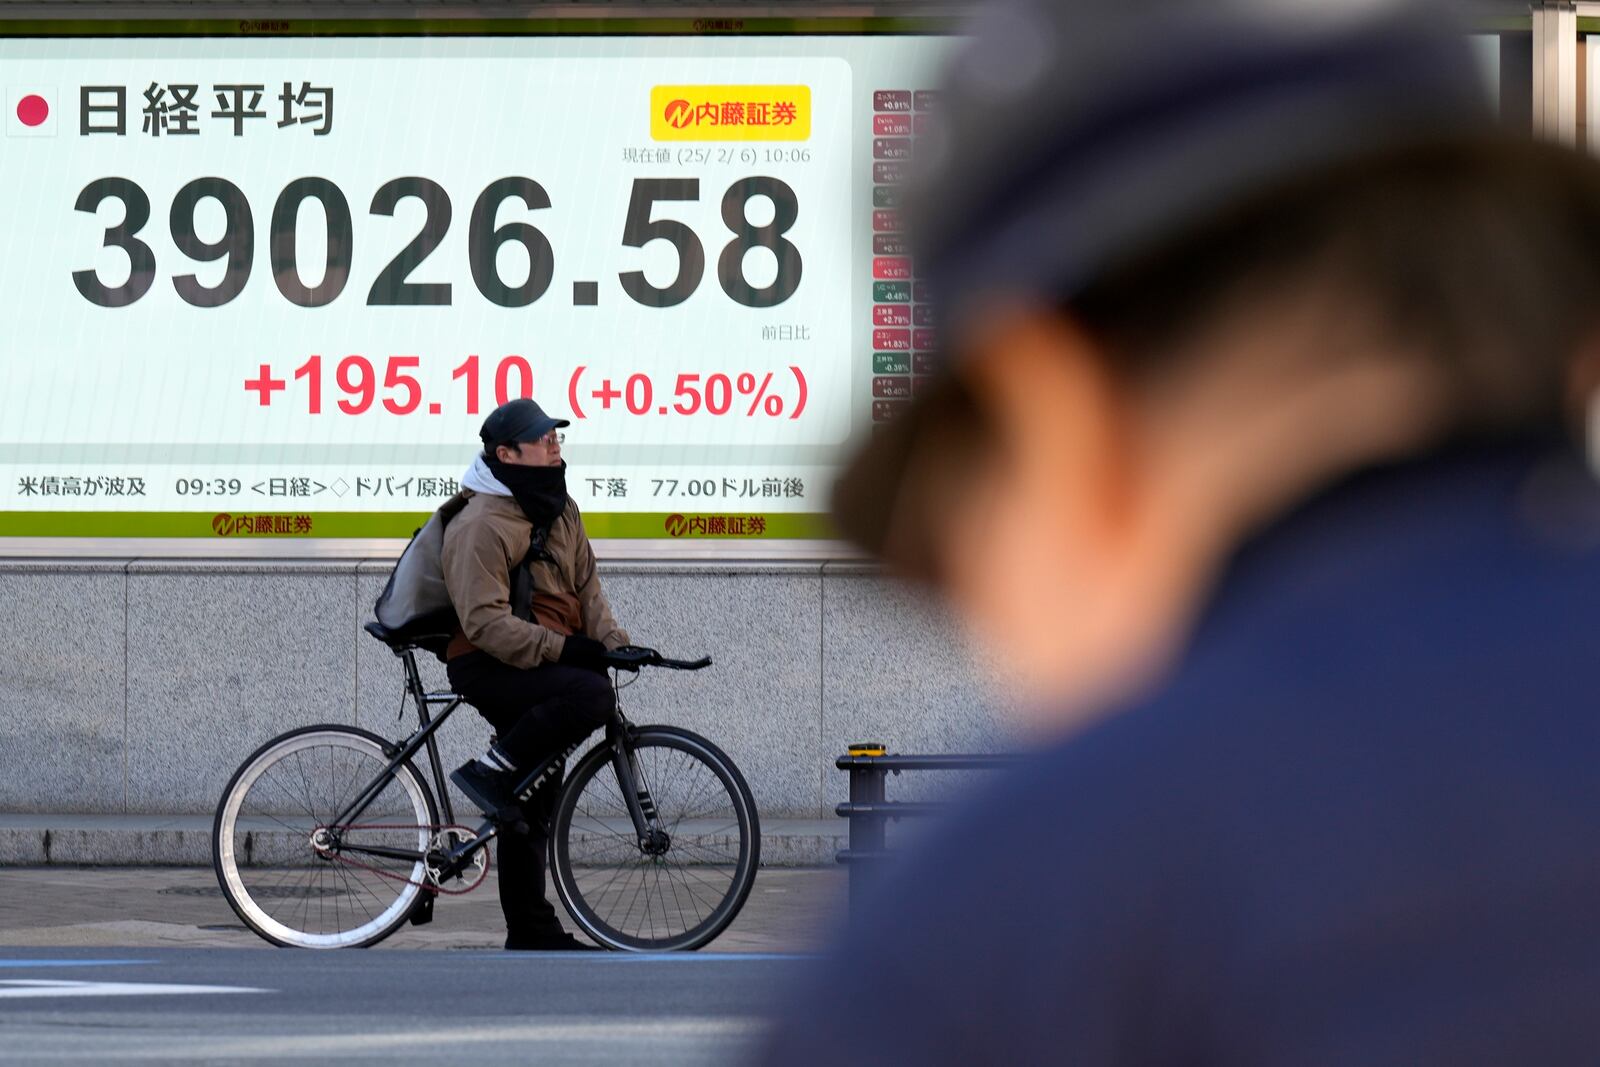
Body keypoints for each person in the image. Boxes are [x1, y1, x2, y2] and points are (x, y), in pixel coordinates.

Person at [761, 1, 1600, 1063]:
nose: (999, 651)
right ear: (1572, 346)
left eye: (949, 548)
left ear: (1047, 409)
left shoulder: (1010, 935)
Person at [441, 397, 631, 951]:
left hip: (541, 656)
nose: (554, 443)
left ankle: (531, 929)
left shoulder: (561, 507)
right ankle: (488, 770)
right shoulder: (481, 522)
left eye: (556, 436)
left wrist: (615, 644)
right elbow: (483, 625)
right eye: (541, 437)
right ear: (505, 453)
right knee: (590, 694)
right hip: (484, 663)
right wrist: (569, 650)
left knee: (534, 795)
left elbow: (586, 589)